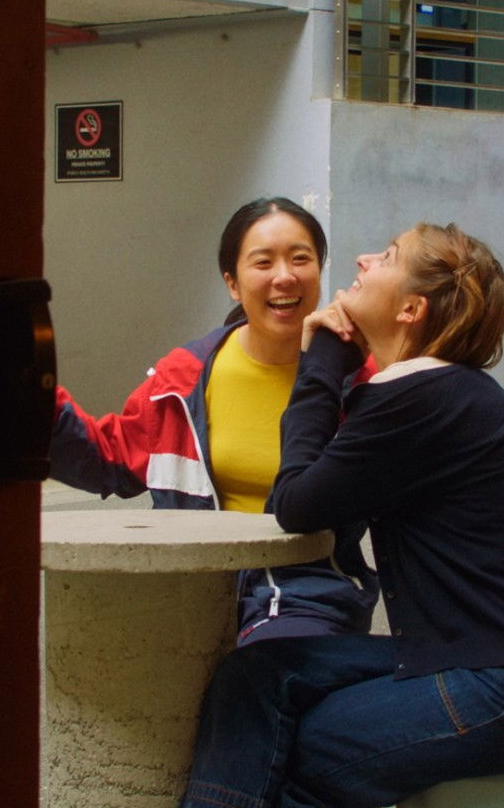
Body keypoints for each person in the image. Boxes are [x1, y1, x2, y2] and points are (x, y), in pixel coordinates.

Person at [168, 223, 504, 808]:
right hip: (454, 658)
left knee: (296, 752)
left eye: (386, 257)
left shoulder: (418, 395)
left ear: (411, 310)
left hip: (496, 687)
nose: (361, 259)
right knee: (258, 673)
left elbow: (295, 505)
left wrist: (322, 359)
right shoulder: (443, 391)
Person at [50, 197, 378, 643]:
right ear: (232, 283)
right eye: (263, 262)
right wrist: (32, 396)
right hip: (190, 591)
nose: (285, 275)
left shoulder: (361, 380)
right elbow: (111, 457)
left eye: (301, 258)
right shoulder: (182, 378)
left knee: (269, 664)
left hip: (309, 595)